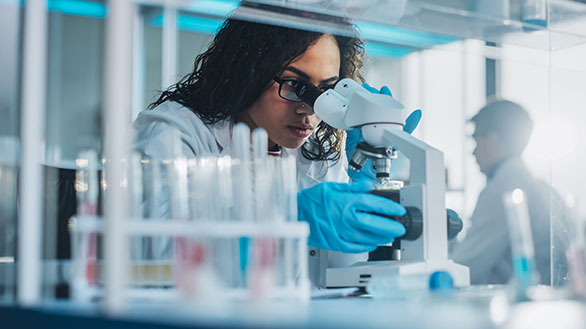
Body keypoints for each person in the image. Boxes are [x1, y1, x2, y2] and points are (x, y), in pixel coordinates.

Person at [132, 13, 420, 287]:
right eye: (295, 84)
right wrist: (287, 218)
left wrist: (362, 181)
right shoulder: (175, 133)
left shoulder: (316, 154)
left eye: (326, 91)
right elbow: (160, 257)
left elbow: (340, 274)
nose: (308, 108)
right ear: (247, 71)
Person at [451, 99, 569, 285]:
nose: (473, 152)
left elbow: (464, 268)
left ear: (493, 140)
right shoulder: (539, 186)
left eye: (476, 140)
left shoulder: (504, 188)